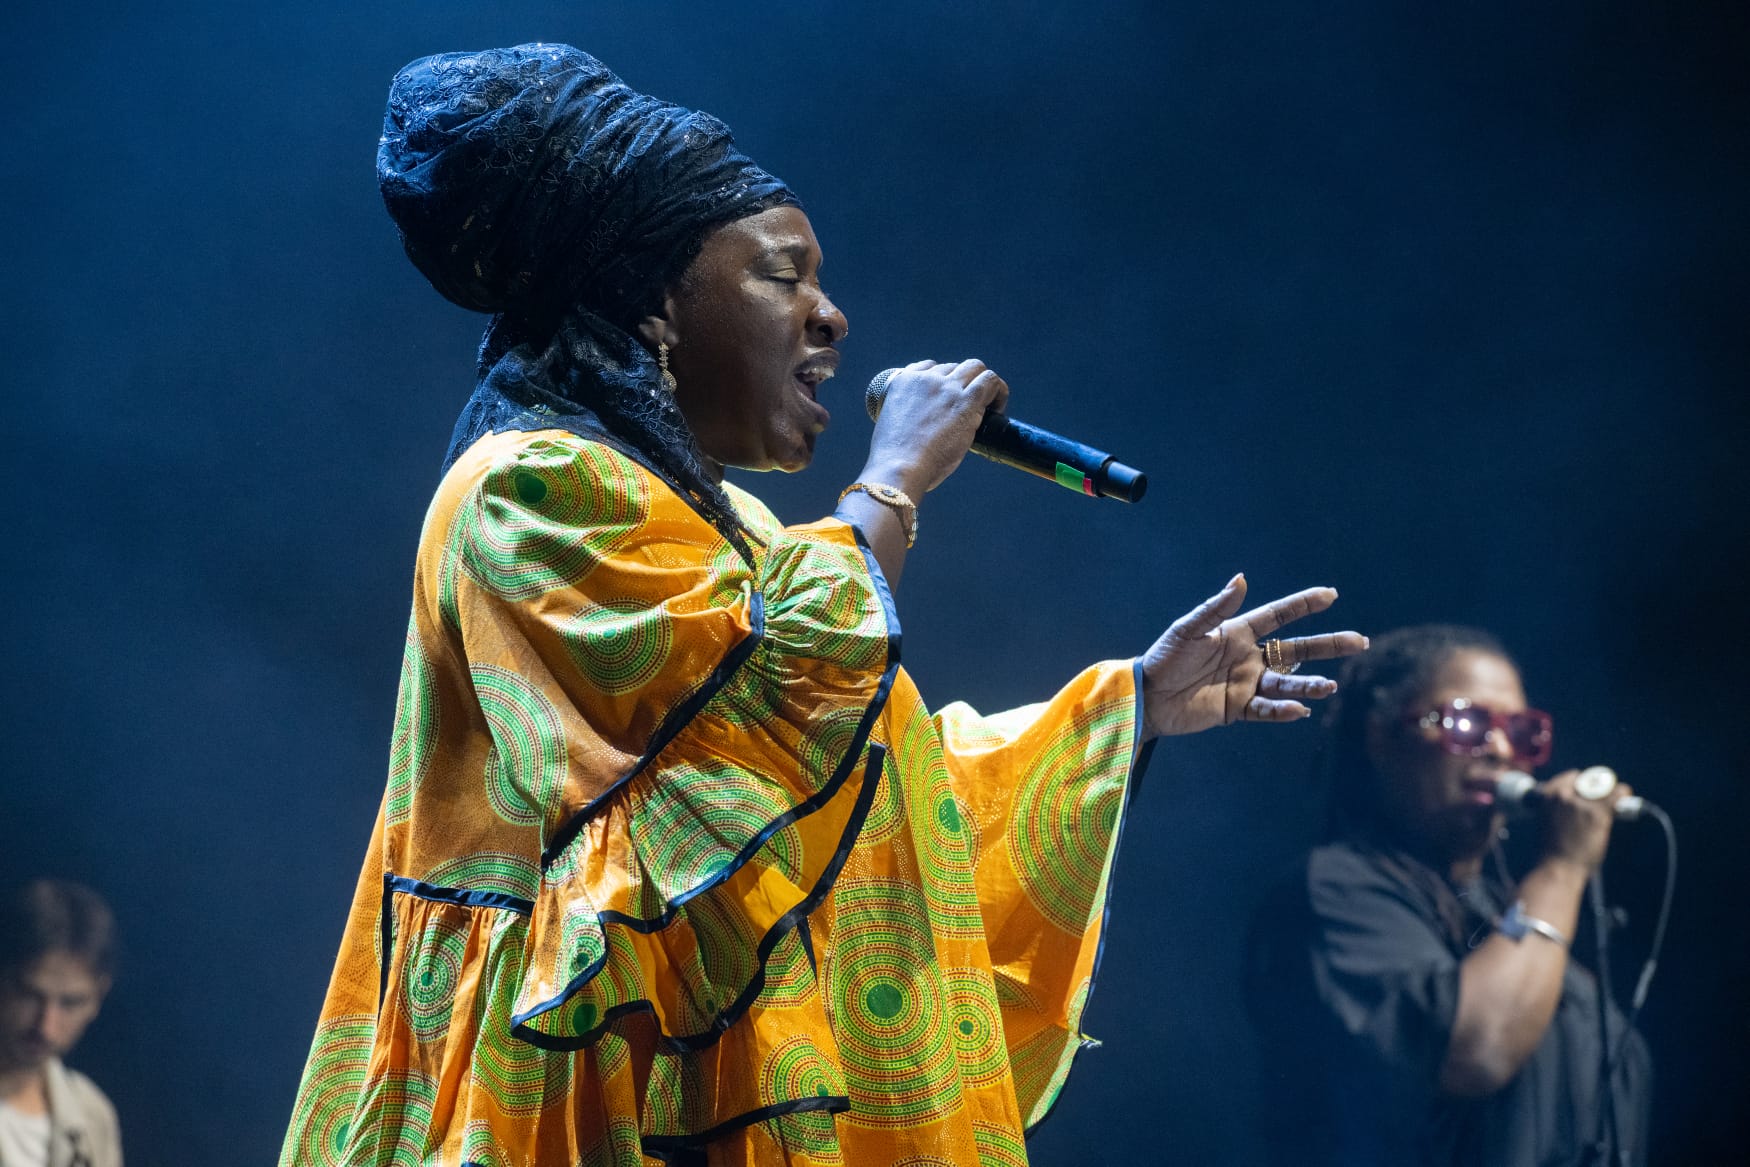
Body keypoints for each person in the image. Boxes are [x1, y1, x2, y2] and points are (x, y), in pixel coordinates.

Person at [281, 43, 1364, 1167]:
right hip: (586, 1095)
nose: (832, 317)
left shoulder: (740, 530)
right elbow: (736, 730)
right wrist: (890, 484)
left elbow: (864, 803)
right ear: (653, 300)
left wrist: (1129, 704)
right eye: (782, 275)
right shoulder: (526, 492)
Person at [1245, 625, 1652, 1167]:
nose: (1501, 750)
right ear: (1381, 737)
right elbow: (1477, 1049)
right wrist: (1562, 869)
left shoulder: (1501, 914)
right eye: (1467, 722)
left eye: (1521, 732)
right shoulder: (1333, 894)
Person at [0, 879, 123, 1167]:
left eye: (71, 1003)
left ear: (99, 997)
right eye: (30, 995)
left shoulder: (92, 1115)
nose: (46, 1025)